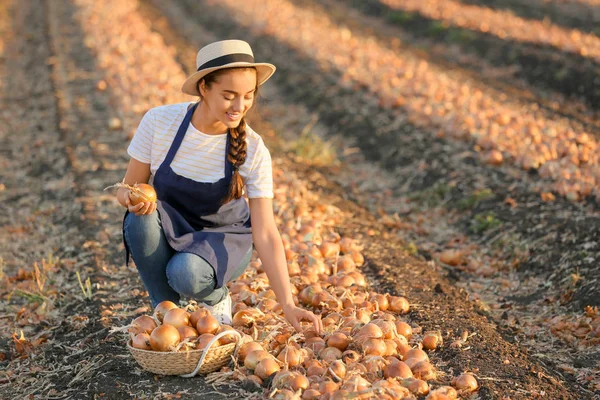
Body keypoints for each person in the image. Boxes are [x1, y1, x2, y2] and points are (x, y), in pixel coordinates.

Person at [117, 40, 322, 333]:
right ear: (204, 88)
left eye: (248, 96)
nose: (240, 107)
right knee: (139, 219)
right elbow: (128, 186)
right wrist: (128, 196)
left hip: (221, 238)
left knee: (185, 273)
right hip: (170, 225)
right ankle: (166, 313)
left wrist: (287, 303)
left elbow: (265, 232)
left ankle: (216, 297)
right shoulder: (160, 122)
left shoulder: (253, 148)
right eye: (229, 96)